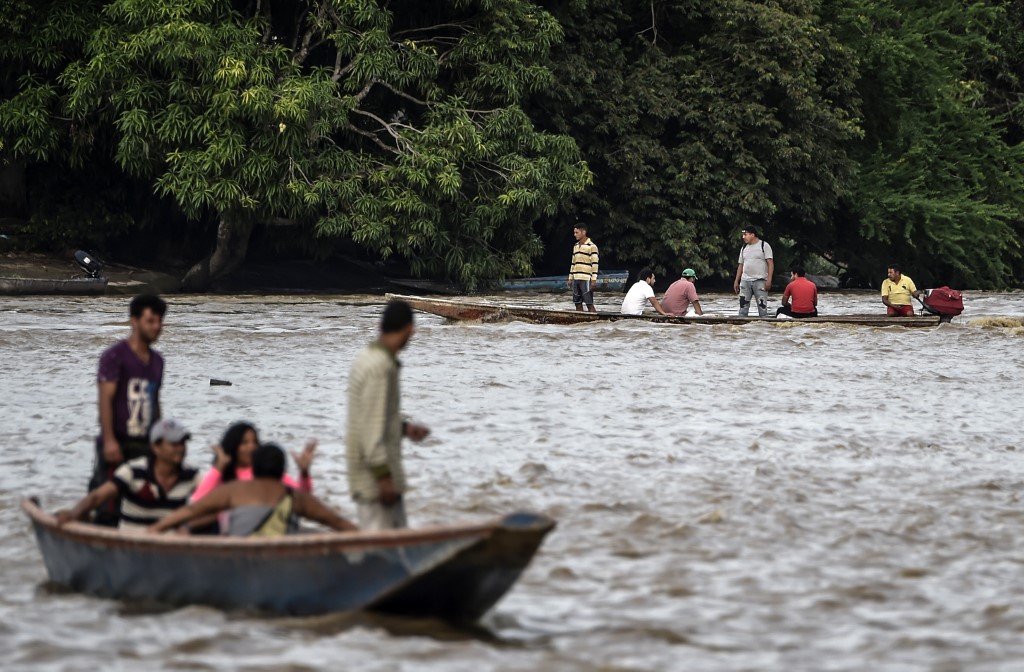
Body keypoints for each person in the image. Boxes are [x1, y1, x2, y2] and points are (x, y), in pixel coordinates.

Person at [148, 444, 357, 536]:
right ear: (282, 470)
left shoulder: (234, 491)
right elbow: (336, 521)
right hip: (283, 560)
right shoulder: (295, 497)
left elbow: (190, 511)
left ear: (254, 469)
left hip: (240, 559)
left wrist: (154, 530)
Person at [347, 300, 430, 530]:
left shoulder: (368, 357)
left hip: (368, 475)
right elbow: (370, 429)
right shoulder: (380, 367)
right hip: (375, 481)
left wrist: (404, 428)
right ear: (409, 329)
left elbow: (374, 415)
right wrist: (384, 479)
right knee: (383, 552)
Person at [90, 294, 168, 527]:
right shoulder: (115, 356)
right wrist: (110, 440)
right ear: (134, 321)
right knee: (108, 506)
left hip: (145, 442)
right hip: (118, 441)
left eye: (159, 322)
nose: (156, 327)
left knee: (145, 502)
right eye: (150, 321)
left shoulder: (157, 361)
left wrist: (160, 442)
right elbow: (106, 399)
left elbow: (155, 402)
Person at [57, 418, 201, 530]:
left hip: (170, 547)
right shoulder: (133, 471)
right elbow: (97, 497)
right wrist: (73, 514)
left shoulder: (191, 476)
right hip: (130, 546)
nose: (180, 449)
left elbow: (214, 500)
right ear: (156, 447)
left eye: (183, 443)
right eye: (174, 444)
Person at [189, 422, 316, 533]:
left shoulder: (267, 472)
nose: (251, 447)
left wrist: (304, 473)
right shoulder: (222, 475)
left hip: (270, 530)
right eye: (244, 443)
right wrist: (218, 468)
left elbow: (303, 499)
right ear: (233, 446)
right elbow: (196, 504)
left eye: (255, 442)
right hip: (233, 534)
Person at [733, 227, 774, 317]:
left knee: (762, 308)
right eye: (743, 235)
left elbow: (770, 263)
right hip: (745, 281)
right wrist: (736, 280)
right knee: (743, 309)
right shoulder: (744, 248)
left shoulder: (764, 245)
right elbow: (740, 265)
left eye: (745, 234)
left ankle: (764, 328)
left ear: (753, 235)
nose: (743, 237)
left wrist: (769, 280)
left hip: (760, 281)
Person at [566, 223, 599, 312]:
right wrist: (570, 278)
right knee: (577, 303)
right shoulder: (576, 246)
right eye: (574, 232)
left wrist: (593, 279)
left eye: (577, 232)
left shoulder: (592, 246)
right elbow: (573, 263)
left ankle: (594, 321)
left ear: (583, 232)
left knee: (589, 303)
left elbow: (595, 264)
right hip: (576, 278)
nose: (575, 235)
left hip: (586, 278)